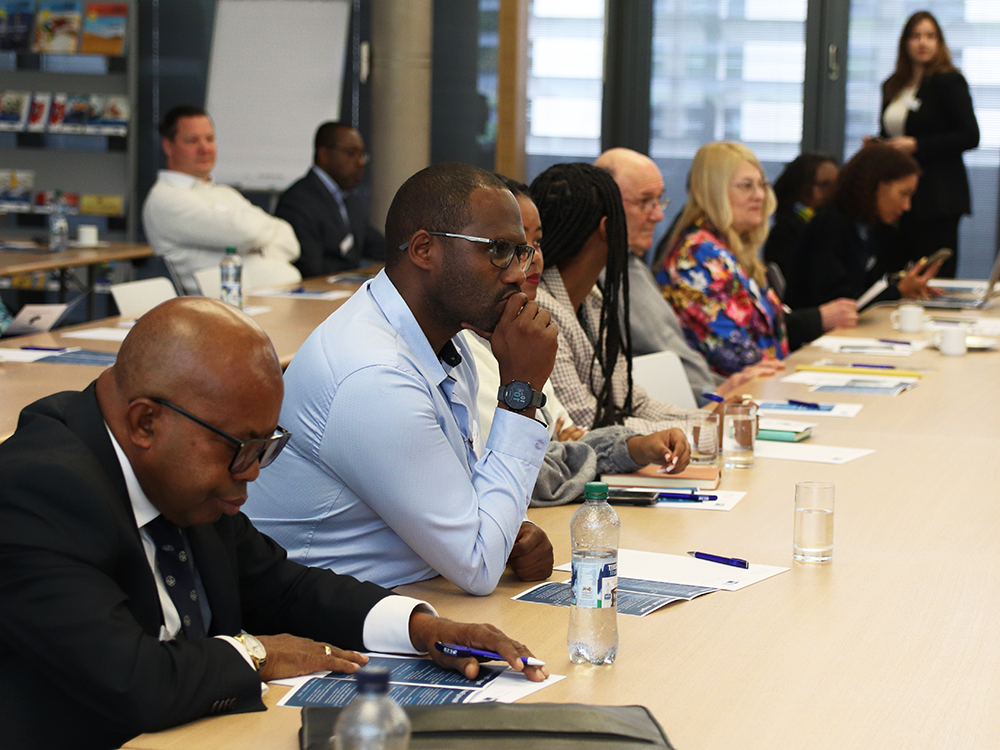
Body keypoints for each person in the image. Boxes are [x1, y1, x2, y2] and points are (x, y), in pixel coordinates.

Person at [0, 297, 546, 750]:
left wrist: (424, 629)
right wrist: (253, 653)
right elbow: (130, 681)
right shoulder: (38, 492)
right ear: (146, 422)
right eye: (242, 449)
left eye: (265, 447)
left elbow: (282, 587)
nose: (253, 473)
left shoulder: (186, 473)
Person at [245, 163, 557, 596]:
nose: (517, 275)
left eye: (520, 253)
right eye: (498, 250)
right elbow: (478, 566)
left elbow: (466, 509)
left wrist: (512, 531)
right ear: (425, 250)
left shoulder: (443, 339)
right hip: (323, 627)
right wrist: (520, 392)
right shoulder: (373, 374)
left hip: (407, 594)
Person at [465, 174, 690, 506]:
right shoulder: (478, 344)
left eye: (537, 244)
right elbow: (536, 474)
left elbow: (569, 448)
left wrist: (632, 447)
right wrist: (563, 453)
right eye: (507, 247)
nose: (531, 259)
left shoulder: (524, 329)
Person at [594, 148, 785, 405]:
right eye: (644, 202)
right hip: (689, 410)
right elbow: (731, 357)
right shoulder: (697, 255)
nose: (760, 195)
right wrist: (714, 391)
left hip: (707, 400)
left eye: (659, 200)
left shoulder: (631, 266)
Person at [529, 162, 691, 443]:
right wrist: (695, 433)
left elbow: (632, 402)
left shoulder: (592, 298)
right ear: (607, 228)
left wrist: (710, 423)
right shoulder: (541, 311)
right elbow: (587, 423)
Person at [656, 142, 788, 377]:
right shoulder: (698, 255)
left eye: (762, 185)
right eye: (746, 186)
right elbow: (736, 355)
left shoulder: (730, 249)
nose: (759, 195)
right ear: (713, 192)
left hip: (761, 389)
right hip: (725, 400)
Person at [142, 105, 300, 294]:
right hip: (217, 313)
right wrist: (256, 242)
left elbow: (289, 239)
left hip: (270, 300)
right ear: (168, 146)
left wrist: (260, 249)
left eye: (209, 139)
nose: (205, 148)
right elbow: (246, 231)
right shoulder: (165, 198)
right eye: (192, 141)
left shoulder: (224, 192)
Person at [876, 11, 979, 278]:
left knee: (932, 273)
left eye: (930, 36)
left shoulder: (949, 82)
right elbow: (894, 130)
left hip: (936, 196)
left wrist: (918, 145)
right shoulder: (892, 85)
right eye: (916, 36)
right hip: (896, 194)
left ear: (939, 43)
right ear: (905, 43)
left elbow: (970, 135)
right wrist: (879, 143)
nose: (923, 43)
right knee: (893, 267)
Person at [786, 142, 942, 309]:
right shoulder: (831, 225)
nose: (907, 206)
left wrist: (902, 287)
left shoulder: (864, 226)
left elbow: (866, 291)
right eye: (904, 194)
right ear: (875, 186)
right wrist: (898, 290)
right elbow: (837, 303)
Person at [276, 121, 386, 277]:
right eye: (351, 153)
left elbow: (377, 247)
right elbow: (310, 268)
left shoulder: (349, 199)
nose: (360, 162)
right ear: (324, 155)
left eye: (361, 155)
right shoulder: (297, 201)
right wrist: (358, 274)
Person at [764, 152, 839, 281]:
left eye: (837, 185)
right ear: (801, 185)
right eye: (825, 185)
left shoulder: (833, 223)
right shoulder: (785, 232)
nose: (833, 192)